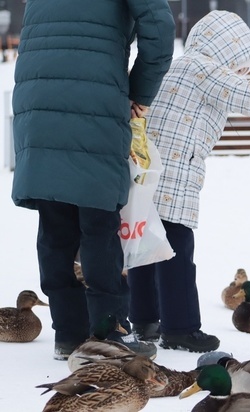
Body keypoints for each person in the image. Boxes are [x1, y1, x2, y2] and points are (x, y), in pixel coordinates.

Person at [127, 10, 250, 353]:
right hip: (175, 178)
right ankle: (181, 328)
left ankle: (144, 319)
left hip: (146, 173)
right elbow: (248, 93)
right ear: (225, 50)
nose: (241, 71)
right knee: (176, 254)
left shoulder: (177, 64)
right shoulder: (205, 69)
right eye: (240, 62)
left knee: (146, 246)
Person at [11, 0, 176, 360]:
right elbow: (160, 33)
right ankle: (109, 333)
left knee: (55, 221)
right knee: (98, 220)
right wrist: (140, 92)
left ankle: (68, 334)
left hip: (37, 101)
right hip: (96, 100)